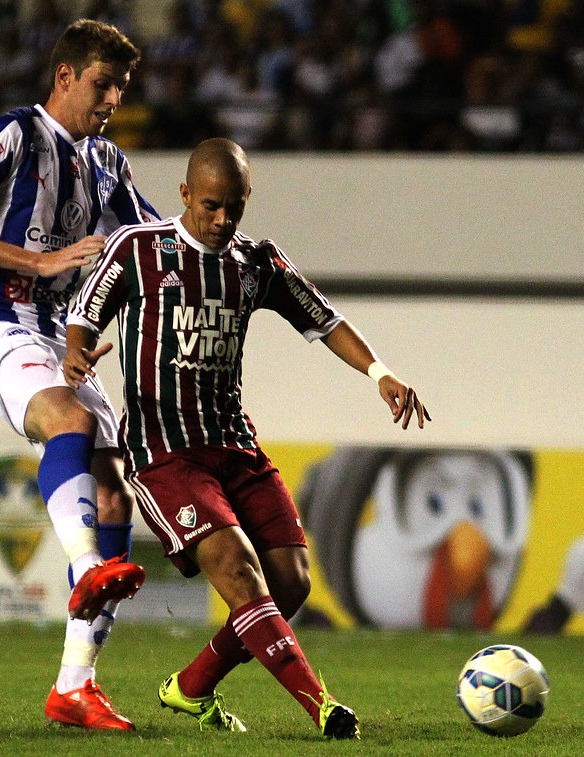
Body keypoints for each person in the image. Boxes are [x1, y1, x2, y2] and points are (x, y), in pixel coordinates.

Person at [64, 137, 431, 739]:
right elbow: (84, 314)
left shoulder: (256, 262)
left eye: (233, 207)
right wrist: (77, 357)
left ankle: (191, 687)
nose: (221, 220)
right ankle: (320, 705)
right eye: (210, 205)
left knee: (290, 584)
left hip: (236, 445)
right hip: (166, 453)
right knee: (239, 571)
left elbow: (326, 318)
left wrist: (380, 373)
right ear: (184, 194)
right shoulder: (139, 249)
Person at [0, 19, 158, 731]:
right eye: (101, 84)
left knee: (116, 488)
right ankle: (86, 564)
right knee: (70, 419)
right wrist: (39, 261)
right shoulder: (14, 136)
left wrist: (93, 326)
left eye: (120, 87)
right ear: (65, 77)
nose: (112, 98)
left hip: (60, 336)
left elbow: (146, 251)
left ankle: (74, 686)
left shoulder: (108, 162)